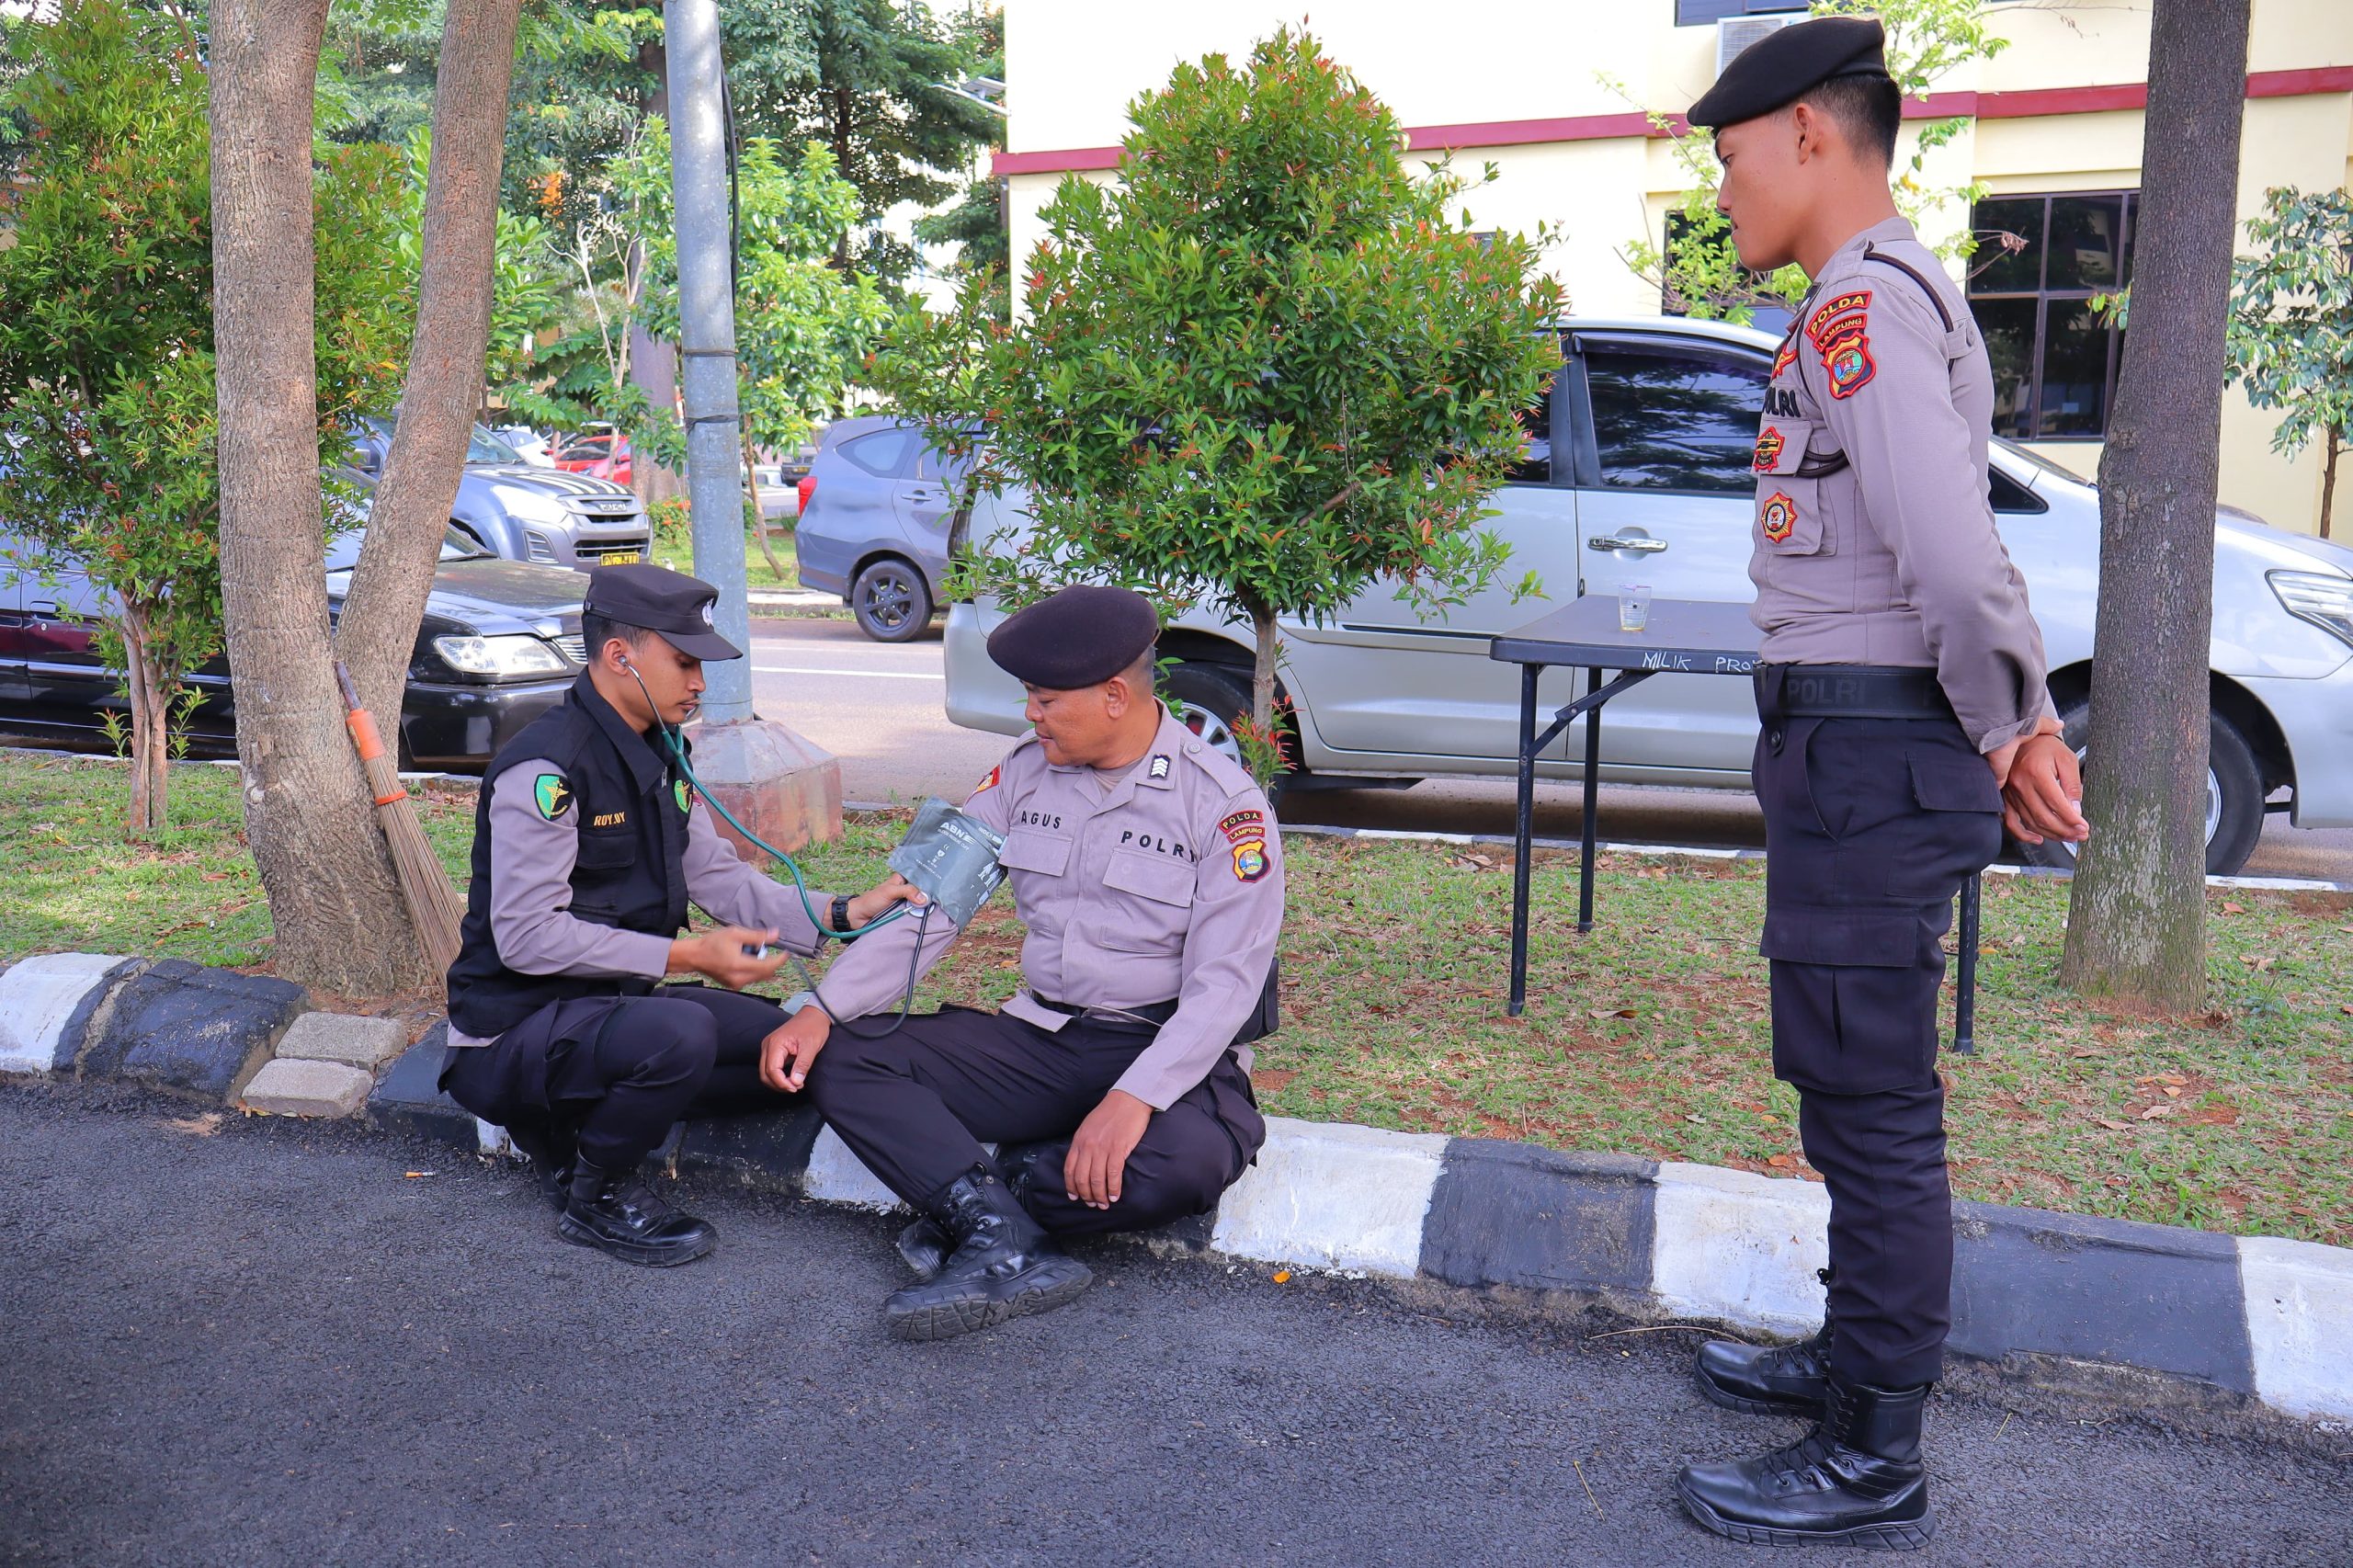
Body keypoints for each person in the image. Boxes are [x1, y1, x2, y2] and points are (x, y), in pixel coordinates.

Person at [1670, 17, 2089, 1550]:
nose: (1722, 192)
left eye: (1728, 161)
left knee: (1874, 1104)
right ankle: (1851, 1363)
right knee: (1848, 1090)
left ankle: (1873, 1450)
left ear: (1807, 137)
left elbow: (1952, 553)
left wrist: (2016, 723)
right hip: (1848, 750)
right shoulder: (1864, 305)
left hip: (1877, 749)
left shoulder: (1864, 309)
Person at [765, 585, 1281, 1342]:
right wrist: (822, 1009)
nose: (1030, 714)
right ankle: (1002, 1238)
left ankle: (989, 1203)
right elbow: (928, 911)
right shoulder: (1016, 779)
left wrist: (1133, 1098)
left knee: (1187, 1165)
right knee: (843, 1054)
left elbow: (1224, 988)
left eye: (1044, 698)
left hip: (1159, 1045)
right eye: (1027, 698)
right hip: (1041, 1038)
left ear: (1113, 695)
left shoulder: (1224, 805)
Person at [441, 562, 919, 1268]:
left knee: (788, 1047)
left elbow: (717, 879)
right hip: (514, 1034)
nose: (700, 681)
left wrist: (847, 909)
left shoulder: (663, 755)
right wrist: (689, 959)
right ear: (619, 655)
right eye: (686, 661)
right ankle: (594, 1193)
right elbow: (526, 938)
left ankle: (593, 1120)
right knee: (682, 1031)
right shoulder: (545, 771)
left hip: (611, 1016)